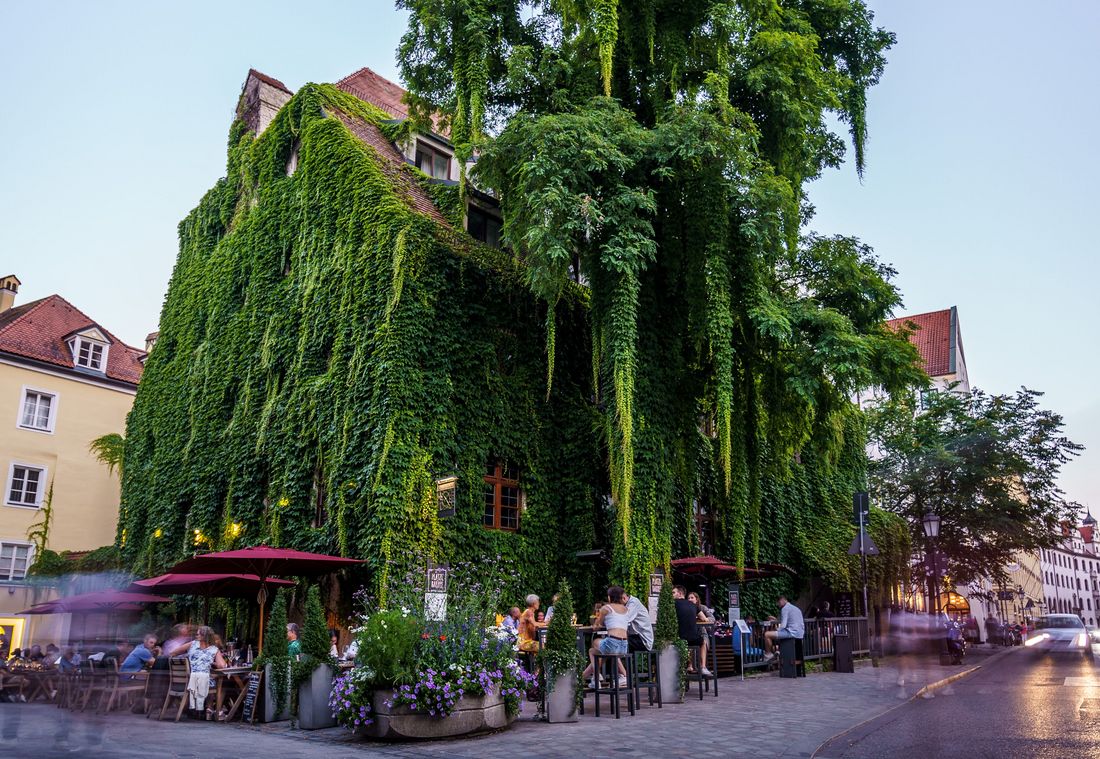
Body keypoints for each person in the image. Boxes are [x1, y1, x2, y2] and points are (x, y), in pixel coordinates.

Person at [168, 626, 226, 719]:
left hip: (188, 679)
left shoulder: (192, 644)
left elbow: (172, 653)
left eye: (199, 633)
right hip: (201, 681)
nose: (197, 634)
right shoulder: (214, 649)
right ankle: (210, 709)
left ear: (205, 636)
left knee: (209, 678)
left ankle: (207, 709)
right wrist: (212, 661)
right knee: (221, 687)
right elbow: (222, 666)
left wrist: (186, 660)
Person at [581, 586, 631, 688]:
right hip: (624, 646)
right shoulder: (626, 609)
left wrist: (597, 623)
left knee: (594, 646)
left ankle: (596, 678)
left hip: (613, 644)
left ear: (609, 597)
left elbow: (596, 626)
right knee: (598, 655)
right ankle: (582, 678)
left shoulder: (606, 608)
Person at [673, 586, 712, 676]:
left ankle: (688, 667)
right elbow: (705, 619)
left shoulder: (673, 604)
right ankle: (703, 667)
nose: (672, 595)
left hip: (679, 638)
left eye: (673, 593)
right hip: (692, 638)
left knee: (685, 645)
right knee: (703, 642)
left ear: (679, 594)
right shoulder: (693, 605)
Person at [763, 595, 805, 660]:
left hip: (791, 633)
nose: (777, 604)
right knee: (776, 635)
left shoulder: (785, 608)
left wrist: (776, 629)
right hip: (800, 634)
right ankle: (778, 652)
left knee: (767, 634)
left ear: (783, 600)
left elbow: (783, 625)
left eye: (778, 602)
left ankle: (768, 655)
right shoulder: (796, 608)